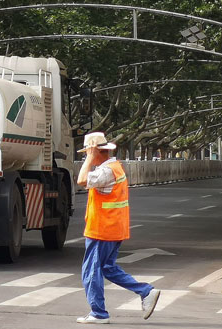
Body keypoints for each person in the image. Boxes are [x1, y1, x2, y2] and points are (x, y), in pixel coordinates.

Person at [76, 131, 161, 324]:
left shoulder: (106, 171)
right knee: (107, 268)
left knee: (91, 270)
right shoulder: (114, 167)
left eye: (87, 152)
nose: (85, 156)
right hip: (112, 228)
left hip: (102, 230)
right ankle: (146, 291)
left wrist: (89, 157)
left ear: (96, 151)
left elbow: (81, 180)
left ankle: (98, 313)